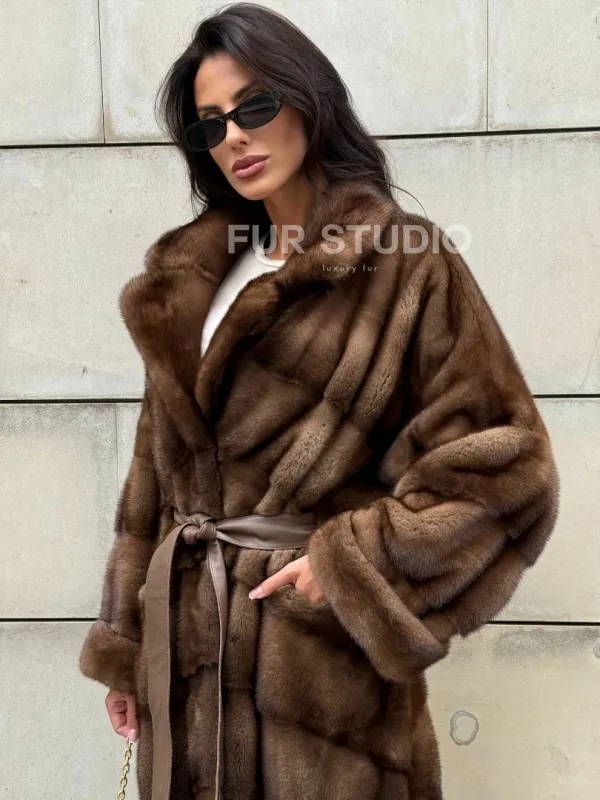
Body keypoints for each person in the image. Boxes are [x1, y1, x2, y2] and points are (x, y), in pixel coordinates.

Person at [79, 3, 560, 799]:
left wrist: (351, 567)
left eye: (254, 107)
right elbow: (151, 488)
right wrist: (128, 650)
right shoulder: (193, 279)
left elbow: (507, 467)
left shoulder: (404, 264)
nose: (234, 137)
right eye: (210, 125)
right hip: (188, 678)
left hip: (321, 692)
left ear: (307, 99)